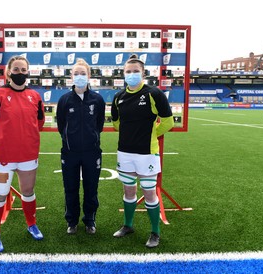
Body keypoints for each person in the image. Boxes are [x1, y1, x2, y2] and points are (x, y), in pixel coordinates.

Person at [0, 55, 45, 253]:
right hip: (3, 157)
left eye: (23, 69)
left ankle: (31, 224)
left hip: (28, 154)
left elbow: (39, 122)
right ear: (8, 73)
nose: (19, 73)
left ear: (28, 72)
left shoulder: (35, 96)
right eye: (15, 69)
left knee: (28, 191)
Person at [111, 54, 174, 248]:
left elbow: (168, 121)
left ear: (143, 73)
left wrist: (151, 134)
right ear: (123, 74)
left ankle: (155, 232)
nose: (132, 74)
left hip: (147, 153)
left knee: (149, 194)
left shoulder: (153, 93)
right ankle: (128, 225)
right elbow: (116, 125)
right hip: (125, 153)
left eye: (135, 71)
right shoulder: (118, 97)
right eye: (128, 72)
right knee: (128, 191)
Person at [56, 58, 106, 235]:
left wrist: (91, 139)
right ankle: (72, 221)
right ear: (71, 76)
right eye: (76, 73)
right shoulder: (64, 100)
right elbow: (61, 125)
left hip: (92, 153)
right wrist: (70, 141)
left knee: (91, 188)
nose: (79, 76)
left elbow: (99, 125)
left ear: (89, 76)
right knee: (71, 188)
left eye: (82, 73)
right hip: (70, 153)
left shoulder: (98, 100)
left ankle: (90, 220)